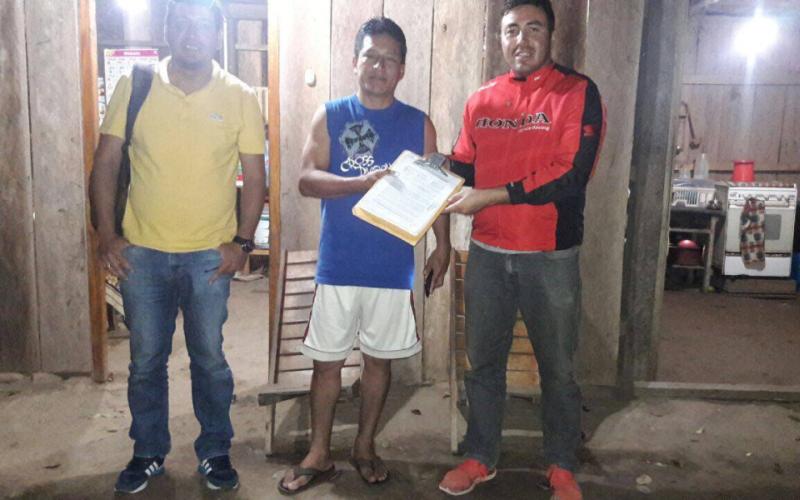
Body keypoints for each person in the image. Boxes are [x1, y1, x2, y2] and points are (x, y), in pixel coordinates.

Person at [90, 0, 266, 493]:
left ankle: (215, 451)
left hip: (210, 256)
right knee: (146, 361)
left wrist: (242, 243)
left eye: (202, 24)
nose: (192, 33)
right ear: (167, 29)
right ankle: (148, 452)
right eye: (182, 22)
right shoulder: (136, 85)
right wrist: (106, 234)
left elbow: (255, 177)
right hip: (142, 254)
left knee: (209, 358)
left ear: (216, 33)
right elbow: (106, 162)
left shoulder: (238, 96)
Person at [437, 1, 604, 498]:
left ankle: (561, 464)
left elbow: (572, 172)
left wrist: (492, 195)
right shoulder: (481, 99)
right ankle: (479, 456)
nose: (522, 40)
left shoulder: (577, 92)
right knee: (484, 363)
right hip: (487, 253)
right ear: (500, 38)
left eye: (534, 28)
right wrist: (415, 171)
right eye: (512, 30)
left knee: (558, 369)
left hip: (550, 255)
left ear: (550, 35)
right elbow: (462, 165)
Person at [277, 17, 451, 496]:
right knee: (327, 364)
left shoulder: (419, 124)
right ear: (355, 61)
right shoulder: (331, 114)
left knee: (378, 363)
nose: (379, 66)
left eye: (390, 59)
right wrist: (360, 182)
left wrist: (442, 244)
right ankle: (318, 453)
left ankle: (365, 446)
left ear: (402, 70)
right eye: (371, 56)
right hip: (339, 264)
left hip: (392, 268)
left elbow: (436, 191)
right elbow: (306, 180)